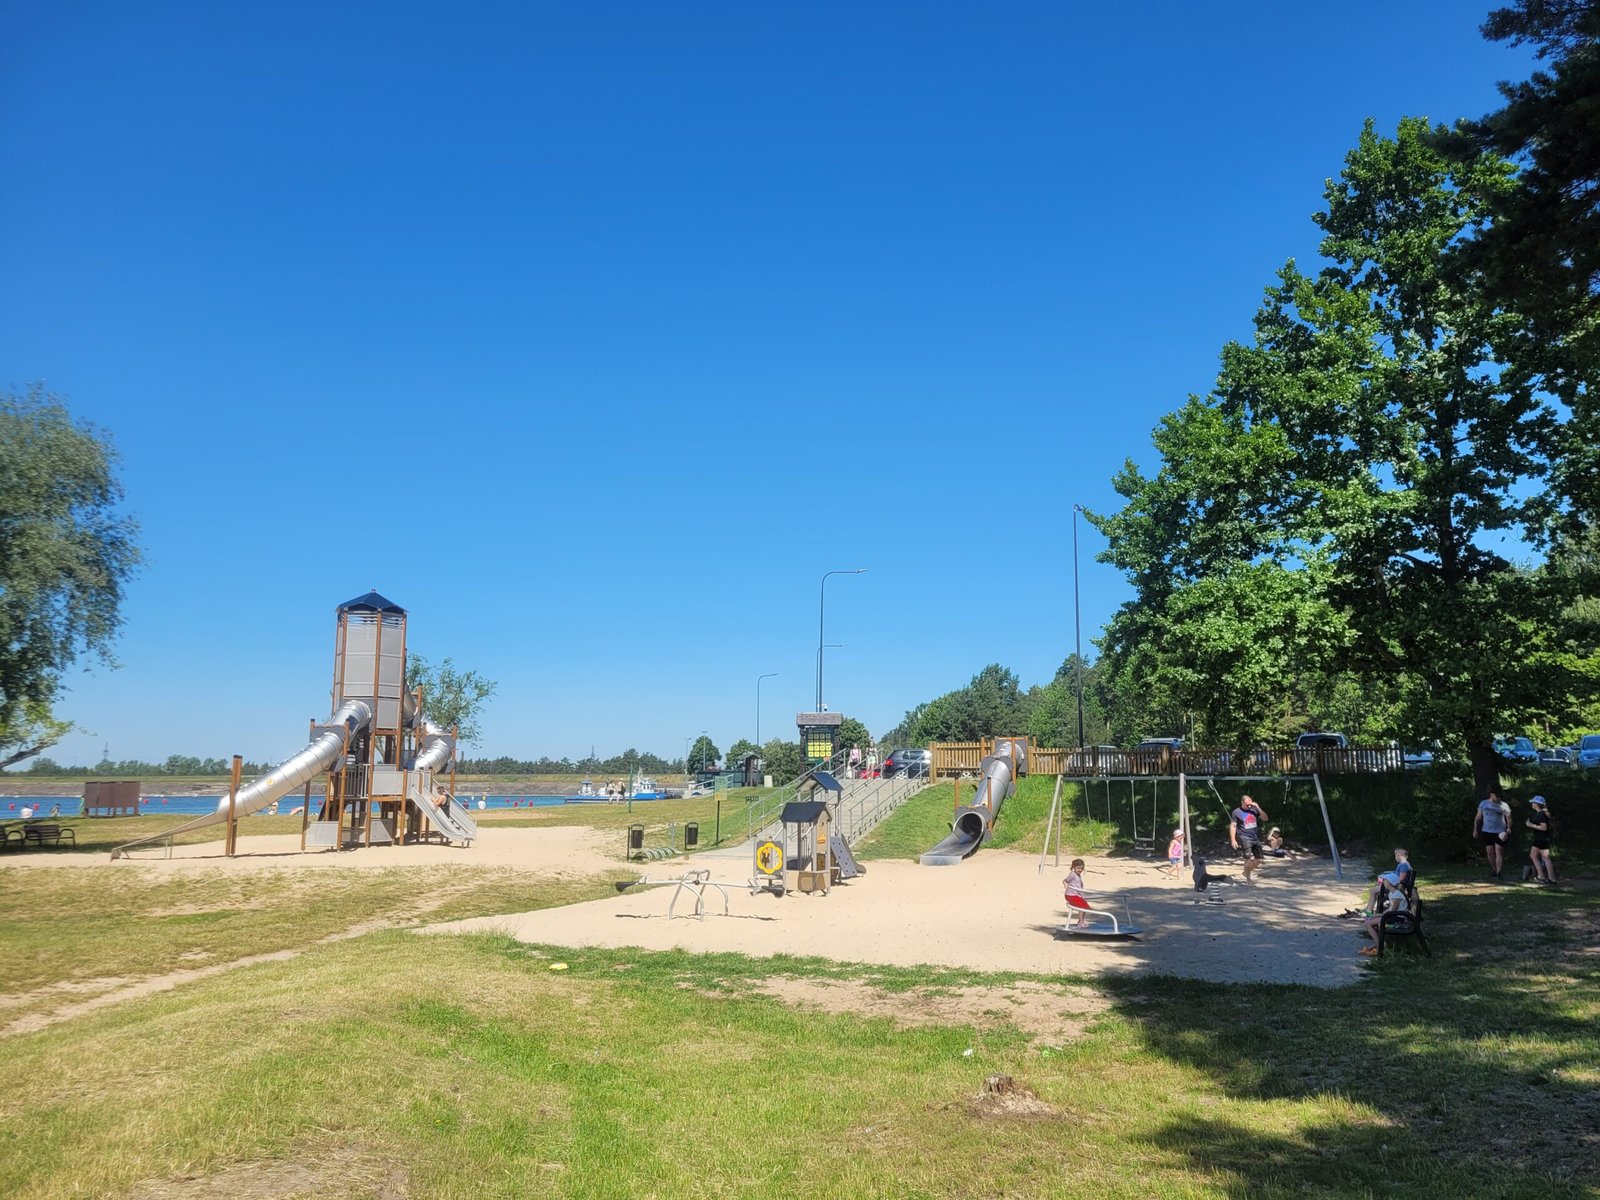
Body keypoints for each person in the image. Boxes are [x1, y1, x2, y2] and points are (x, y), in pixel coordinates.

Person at [1359, 874, 1409, 955]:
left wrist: (1380, 915)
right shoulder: (1392, 893)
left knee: (1368, 923)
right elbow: (1390, 909)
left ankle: (1379, 947)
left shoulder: (1397, 895)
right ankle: (1378, 943)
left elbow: (1393, 911)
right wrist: (1378, 915)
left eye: (1385, 881)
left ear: (1390, 882)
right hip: (1393, 916)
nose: (1383, 882)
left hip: (1398, 918)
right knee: (1370, 921)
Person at [1473, 787, 1512, 879]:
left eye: (1500, 797)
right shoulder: (1483, 804)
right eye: (1497, 796)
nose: (1498, 798)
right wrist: (1475, 829)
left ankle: (1499, 872)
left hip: (1500, 831)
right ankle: (1494, 870)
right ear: (1491, 794)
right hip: (1487, 831)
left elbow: (1509, 818)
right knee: (1489, 851)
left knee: (1499, 850)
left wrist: (1509, 828)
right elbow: (1478, 817)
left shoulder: (1504, 805)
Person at [1229, 794, 1268, 883]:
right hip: (1244, 837)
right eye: (1247, 805)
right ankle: (1248, 879)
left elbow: (1265, 818)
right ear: (1242, 802)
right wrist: (1233, 839)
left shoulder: (1254, 809)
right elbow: (1233, 826)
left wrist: (1257, 807)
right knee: (1247, 858)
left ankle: (1246, 872)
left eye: (1250, 804)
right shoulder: (1237, 812)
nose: (1249, 806)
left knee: (1259, 859)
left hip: (1255, 837)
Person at [1526, 795, 1556, 884]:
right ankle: (1541, 876)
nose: (1532, 804)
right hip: (1539, 838)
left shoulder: (1541, 815)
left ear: (1537, 804)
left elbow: (1544, 828)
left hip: (1542, 839)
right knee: (1533, 855)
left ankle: (1551, 878)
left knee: (1545, 858)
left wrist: (1531, 825)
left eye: (1533, 802)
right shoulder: (1541, 814)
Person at [1063, 858, 1091, 927]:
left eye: (1082, 868)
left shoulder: (1078, 875)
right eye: (1078, 868)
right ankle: (1080, 922)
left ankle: (1081, 920)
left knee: (1085, 906)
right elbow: (1065, 881)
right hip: (1071, 895)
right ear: (1073, 867)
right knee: (1081, 907)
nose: (1080, 870)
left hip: (1076, 895)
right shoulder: (1072, 874)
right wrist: (1067, 889)